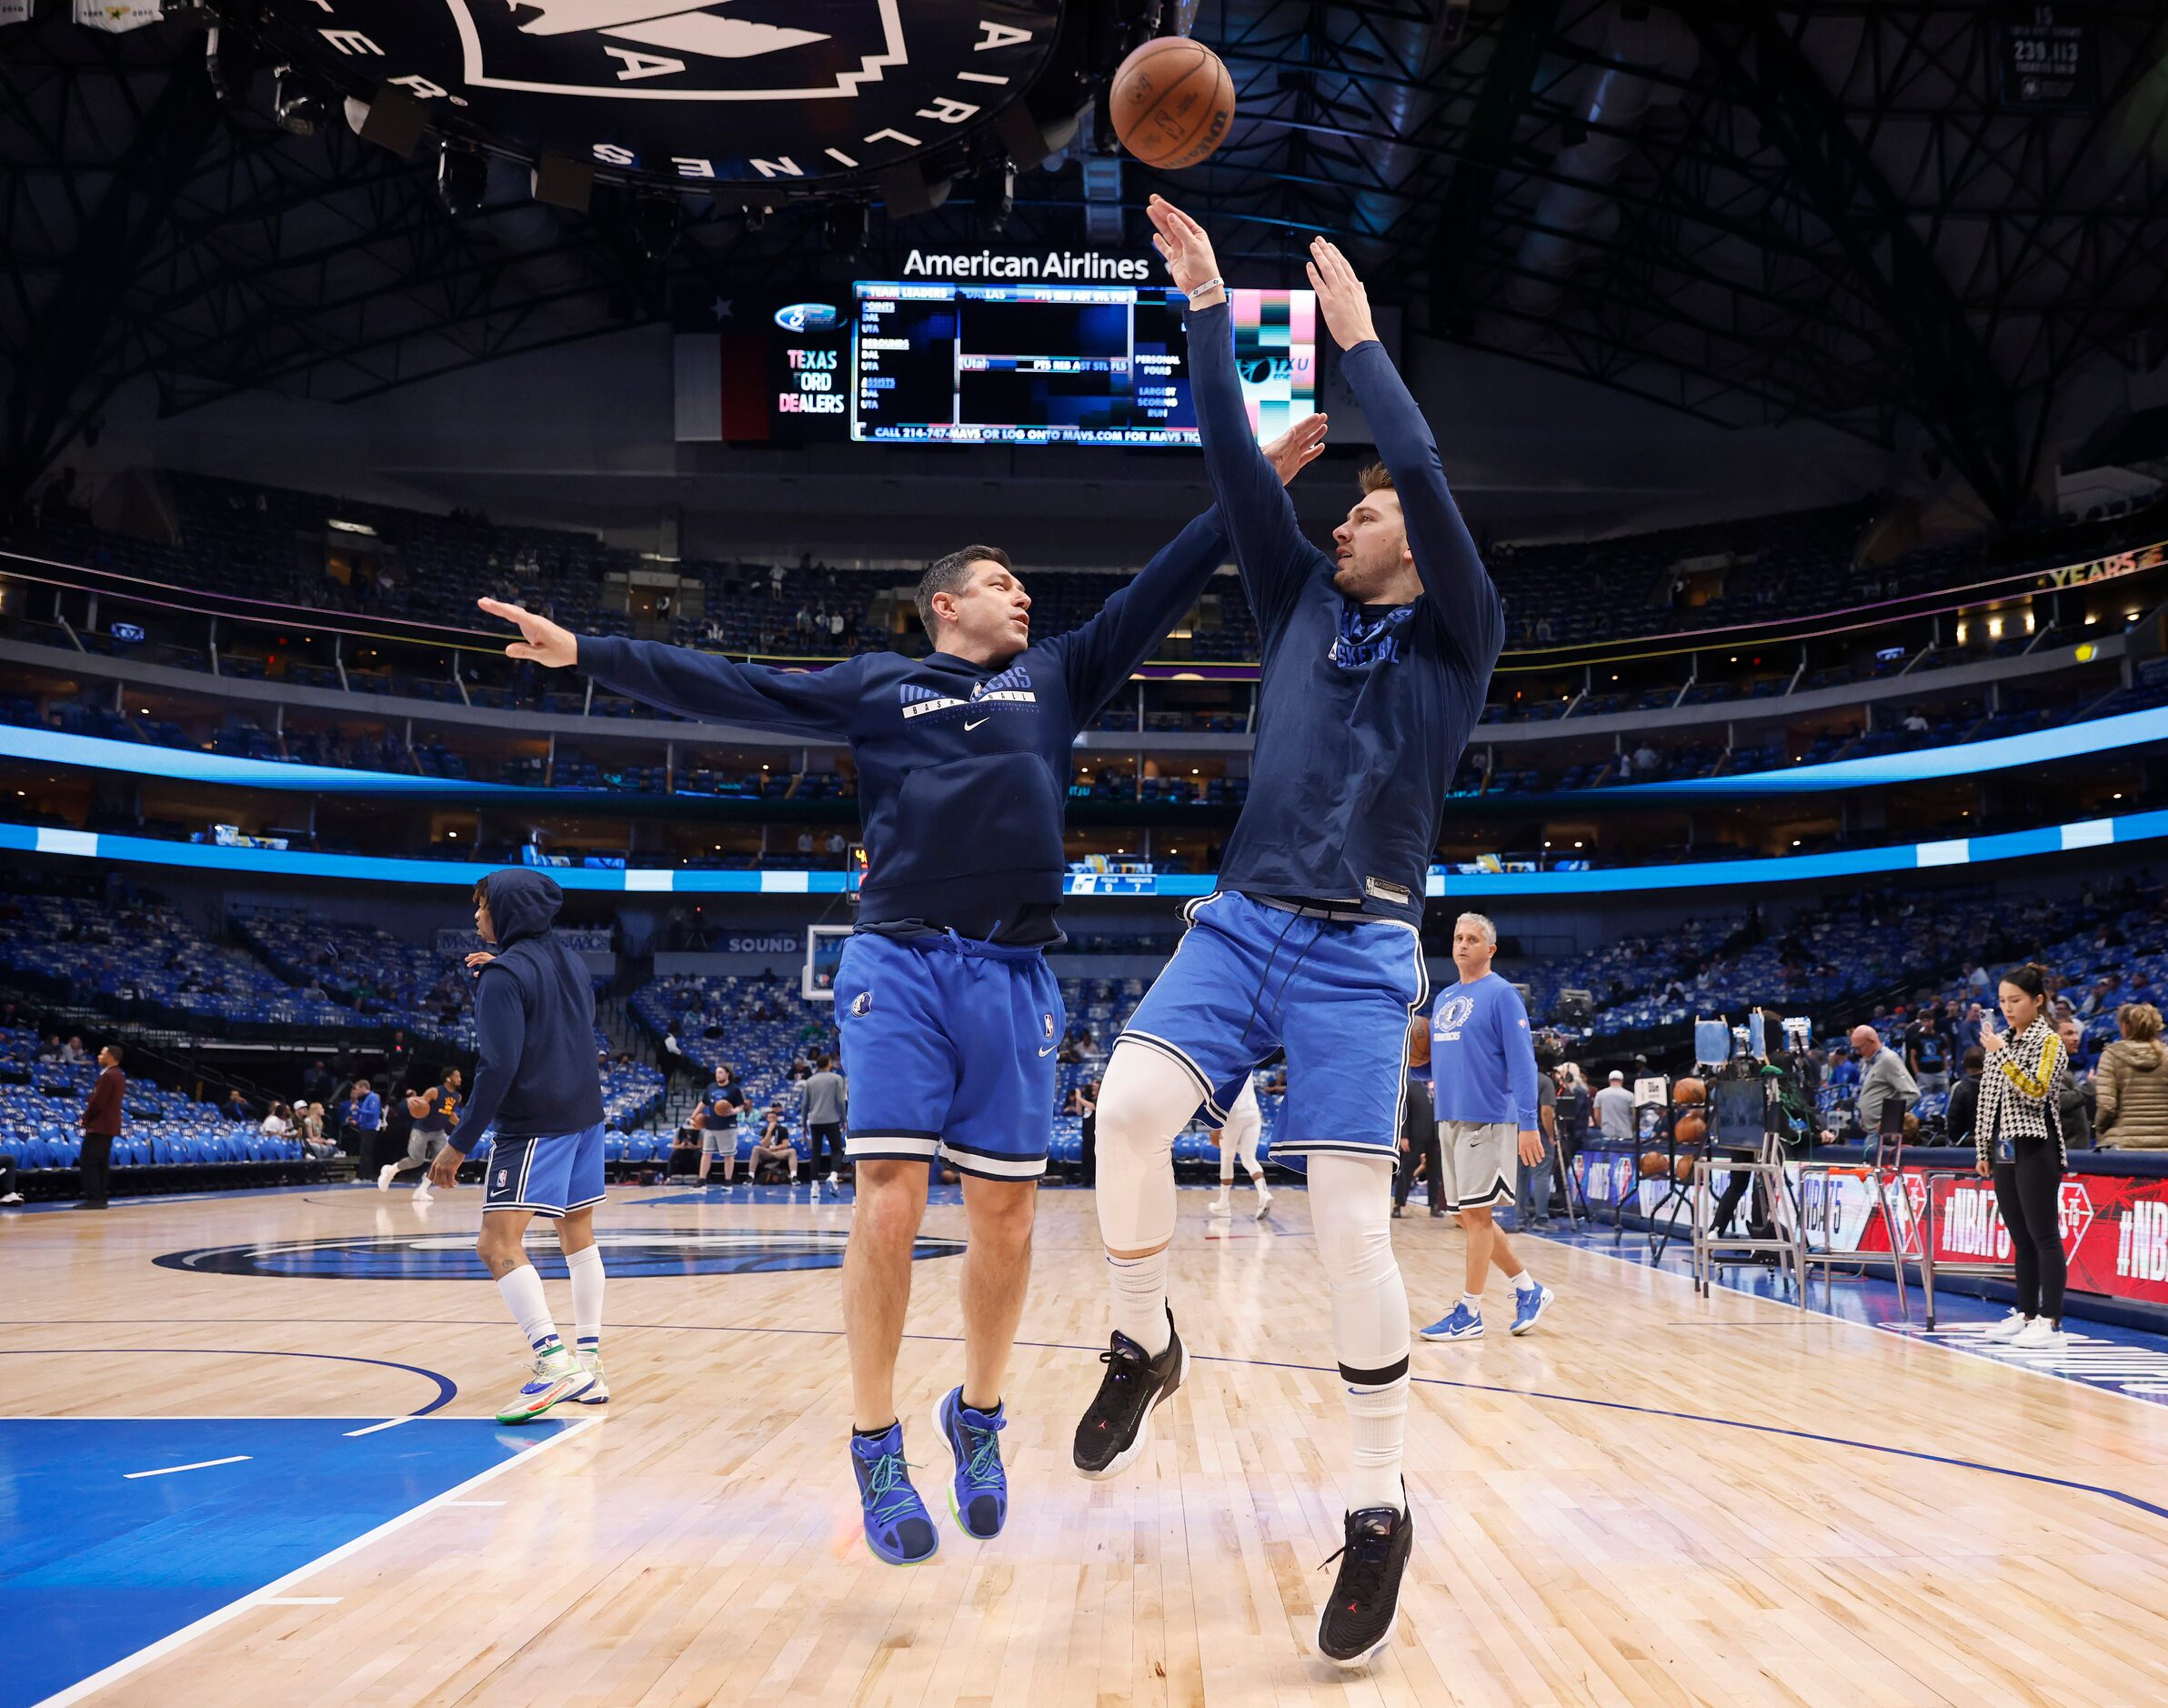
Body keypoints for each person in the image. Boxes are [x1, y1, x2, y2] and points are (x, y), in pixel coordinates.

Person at [477, 409, 1329, 1568]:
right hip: (900, 959)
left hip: (1013, 972)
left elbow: (1161, 584)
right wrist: (588, 653)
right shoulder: (880, 687)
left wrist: (1251, 484)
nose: (1022, 596)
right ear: (944, 605)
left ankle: (973, 1417)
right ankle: (874, 1439)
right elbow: (730, 685)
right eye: (1000, 582)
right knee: (887, 1192)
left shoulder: (1055, 676)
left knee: (1008, 1218)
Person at [1076, 199, 1504, 1668]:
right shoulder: (1292, 603)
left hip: (1363, 942)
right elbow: (1223, 462)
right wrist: (1201, 307)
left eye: (1365, 510)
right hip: (1243, 917)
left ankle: (1376, 1504)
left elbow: (1426, 479)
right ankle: (1144, 1336)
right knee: (1124, 1111)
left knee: (1340, 1226)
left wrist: (1365, 349)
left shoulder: (1461, 635)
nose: (1347, 516)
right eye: (1345, 506)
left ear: (1412, 546)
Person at [427, 871, 613, 1422]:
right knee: (578, 1236)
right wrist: (500, 975)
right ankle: (590, 1364)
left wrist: (459, 1143)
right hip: (586, 1115)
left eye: (483, 907)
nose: (477, 918)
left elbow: (498, 1066)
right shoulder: (569, 960)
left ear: (506, 910)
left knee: (495, 1243)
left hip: (536, 1122)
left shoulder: (503, 975)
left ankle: (552, 1363)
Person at [1420, 914, 1552, 1342]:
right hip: (1450, 1116)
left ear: (1490, 949)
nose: (1462, 945)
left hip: (1489, 1117)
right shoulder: (1443, 999)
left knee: (1478, 1217)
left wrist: (1529, 1124)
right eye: (1458, 938)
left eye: (1472, 939)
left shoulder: (1502, 995)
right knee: (1464, 1215)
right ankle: (1528, 1288)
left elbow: (1523, 1063)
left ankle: (1470, 1311)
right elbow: (1440, 1065)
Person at [1973, 963, 2072, 1350]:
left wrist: (2000, 1055)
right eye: (2002, 1001)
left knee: (2044, 1235)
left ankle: (2051, 1321)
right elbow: (1988, 1100)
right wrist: (1983, 1147)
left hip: (2036, 1145)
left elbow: (2035, 1091)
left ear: (2038, 1001)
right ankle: (2027, 1313)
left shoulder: (2048, 1042)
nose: (2008, 1008)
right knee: (2020, 1236)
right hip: (2003, 1149)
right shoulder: (2002, 1042)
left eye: (2015, 1000)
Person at [1820, 1024, 1918, 1145]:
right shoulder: (1869, 1062)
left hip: (1882, 1133)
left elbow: (1912, 1094)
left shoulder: (1888, 1059)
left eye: (1859, 1048)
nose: (1858, 1052)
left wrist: (1888, 1120)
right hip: (1869, 1129)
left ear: (1870, 1041)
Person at [381, 1067, 464, 1203]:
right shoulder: (434, 1091)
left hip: (438, 1132)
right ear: (448, 1078)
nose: (460, 1079)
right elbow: (422, 1103)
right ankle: (390, 1171)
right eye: (457, 1076)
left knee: (439, 1162)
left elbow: (450, 1114)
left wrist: (461, 1125)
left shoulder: (457, 1096)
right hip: (422, 1130)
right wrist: (415, 1102)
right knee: (416, 1160)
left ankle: (422, 1190)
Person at [2094, 1002, 2168, 1149]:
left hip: (2123, 1145)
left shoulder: (2111, 1055)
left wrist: (2100, 1129)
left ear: (2125, 1026)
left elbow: (2107, 1106)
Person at [1392, 1017, 1441, 1221]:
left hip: (1436, 1135)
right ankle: (1398, 1205)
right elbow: (1404, 1110)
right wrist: (1403, 1136)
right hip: (1414, 1135)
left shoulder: (1440, 1082)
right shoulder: (1412, 1083)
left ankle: (1434, 1206)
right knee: (1407, 1170)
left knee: (1435, 1172)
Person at [1204, 1075, 1271, 1218]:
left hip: (1234, 1115)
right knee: (1248, 1158)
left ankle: (1223, 1204)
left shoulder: (1224, 1065)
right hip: (1253, 1112)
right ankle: (1264, 1193)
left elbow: (1222, 1095)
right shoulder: (1248, 1059)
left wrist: (1216, 1128)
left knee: (1227, 1156)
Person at [78, 1043, 125, 1209]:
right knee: (101, 1163)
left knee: (88, 1161)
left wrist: (85, 1118)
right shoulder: (118, 1075)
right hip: (109, 1125)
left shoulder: (108, 1075)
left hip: (100, 1125)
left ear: (111, 1056)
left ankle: (94, 1198)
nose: (99, 1056)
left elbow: (98, 1102)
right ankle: (101, 1197)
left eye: (102, 1053)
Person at [1516, 1063, 1560, 1231]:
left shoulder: (1517, 1079)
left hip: (1516, 1131)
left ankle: (1518, 1217)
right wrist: (1550, 1135)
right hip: (1537, 1132)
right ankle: (1541, 1218)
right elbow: (1546, 1111)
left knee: (1520, 1176)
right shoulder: (1544, 1081)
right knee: (1541, 1175)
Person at [801, 1054, 848, 1191]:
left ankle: (814, 1185)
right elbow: (840, 1101)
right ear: (828, 1063)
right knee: (837, 1150)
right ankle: (833, 1176)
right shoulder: (836, 1078)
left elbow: (804, 1105)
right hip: (832, 1119)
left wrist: (804, 1124)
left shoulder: (810, 1081)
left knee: (816, 1152)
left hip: (815, 1120)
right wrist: (843, 1119)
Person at [698, 1065, 748, 1189]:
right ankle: (702, 1180)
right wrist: (694, 1115)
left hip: (727, 1126)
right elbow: (703, 1103)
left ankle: (728, 1181)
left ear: (727, 1074)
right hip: (711, 1125)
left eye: (720, 1072)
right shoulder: (711, 1087)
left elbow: (741, 1106)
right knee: (706, 1153)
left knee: (728, 1155)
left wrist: (733, 1111)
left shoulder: (734, 1089)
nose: (717, 1075)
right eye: (716, 1072)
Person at [1945, 1048, 1984, 1148]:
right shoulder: (1997, 1085)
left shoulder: (1958, 1087)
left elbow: (1952, 1122)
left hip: (1965, 1147)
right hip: (1994, 1145)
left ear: (1963, 1065)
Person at [1905, 1010, 1949, 1097]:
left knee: (1944, 1098)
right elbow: (1912, 1057)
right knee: (1925, 1100)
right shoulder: (1917, 1038)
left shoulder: (1939, 1037)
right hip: (1924, 1074)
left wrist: (1945, 1070)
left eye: (1929, 1020)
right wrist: (1917, 1073)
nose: (1928, 1023)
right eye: (1925, 1021)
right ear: (1921, 1022)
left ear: (1933, 1021)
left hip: (1940, 1073)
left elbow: (1944, 1055)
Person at [751, 1105, 799, 1181]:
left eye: (774, 1117)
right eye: (770, 1118)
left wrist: (775, 1148)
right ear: (767, 1119)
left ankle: (794, 1176)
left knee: (792, 1151)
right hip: (767, 1152)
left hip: (779, 1152)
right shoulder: (764, 1130)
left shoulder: (783, 1129)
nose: (772, 1119)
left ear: (777, 1118)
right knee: (756, 1149)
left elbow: (785, 1145)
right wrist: (770, 1131)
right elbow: (763, 1145)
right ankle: (751, 1176)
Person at [346, 1077, 383, 1167]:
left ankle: (366, 1176)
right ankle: (364, 1175)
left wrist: (358, 1110)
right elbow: (366, 1115)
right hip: (365, 1127)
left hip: (370, 1128)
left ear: (363, 1087)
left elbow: (373, 1113)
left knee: (366, 1152)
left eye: (358, 1088)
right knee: (364, 1152)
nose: (357, 1091)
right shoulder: (367, 1098)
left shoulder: (373, 1097)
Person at [1593, 1069, 1634, 1141]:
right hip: (1625, 1133)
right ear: (1622, 1081)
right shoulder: (1630, 1096)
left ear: (1609, 1080)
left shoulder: (1600, 1094)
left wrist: (1603, 1126)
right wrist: (1631, 1128)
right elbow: (1635, 1116)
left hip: (1606, 1133)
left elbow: (1596, 1115)